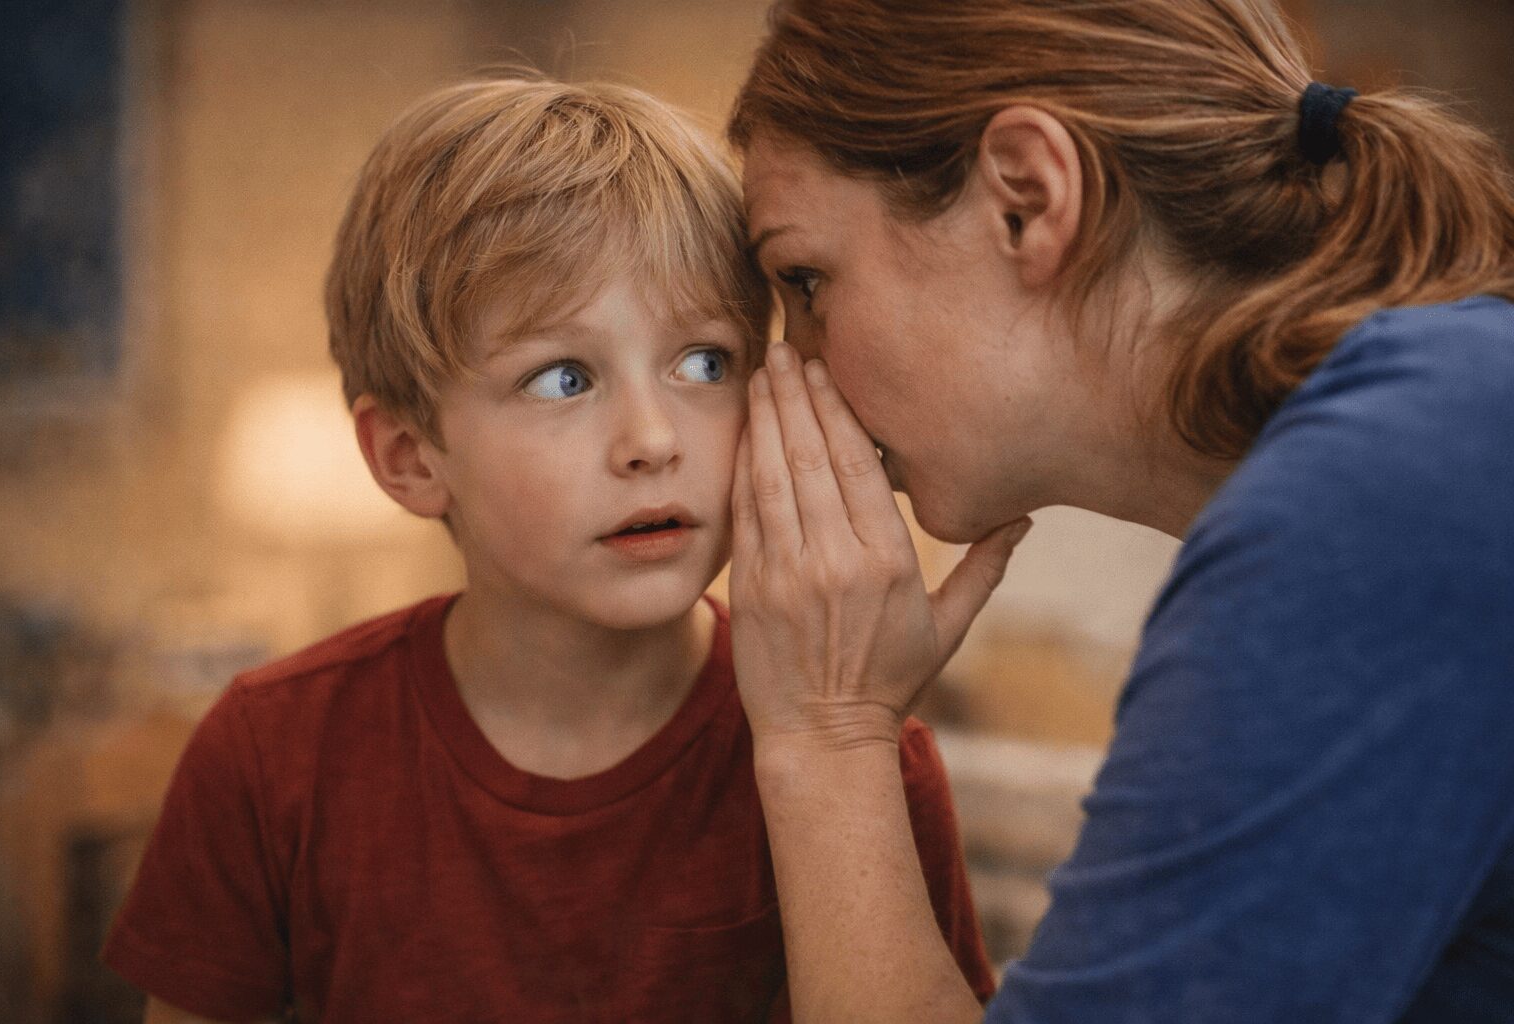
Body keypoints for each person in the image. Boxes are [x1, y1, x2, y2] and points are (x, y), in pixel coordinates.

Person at [102, 76, 996, 1023]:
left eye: (704, 363)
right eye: (564, 378)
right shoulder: (269, 754)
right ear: (410, 459)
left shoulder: (860, 760)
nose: (653, 439)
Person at [722, 0, 1514, 1021]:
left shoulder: (1387, 492)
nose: (795, 366)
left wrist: (826, 734)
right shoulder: (1426, 424)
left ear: (1027, 197)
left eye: (807, 279)